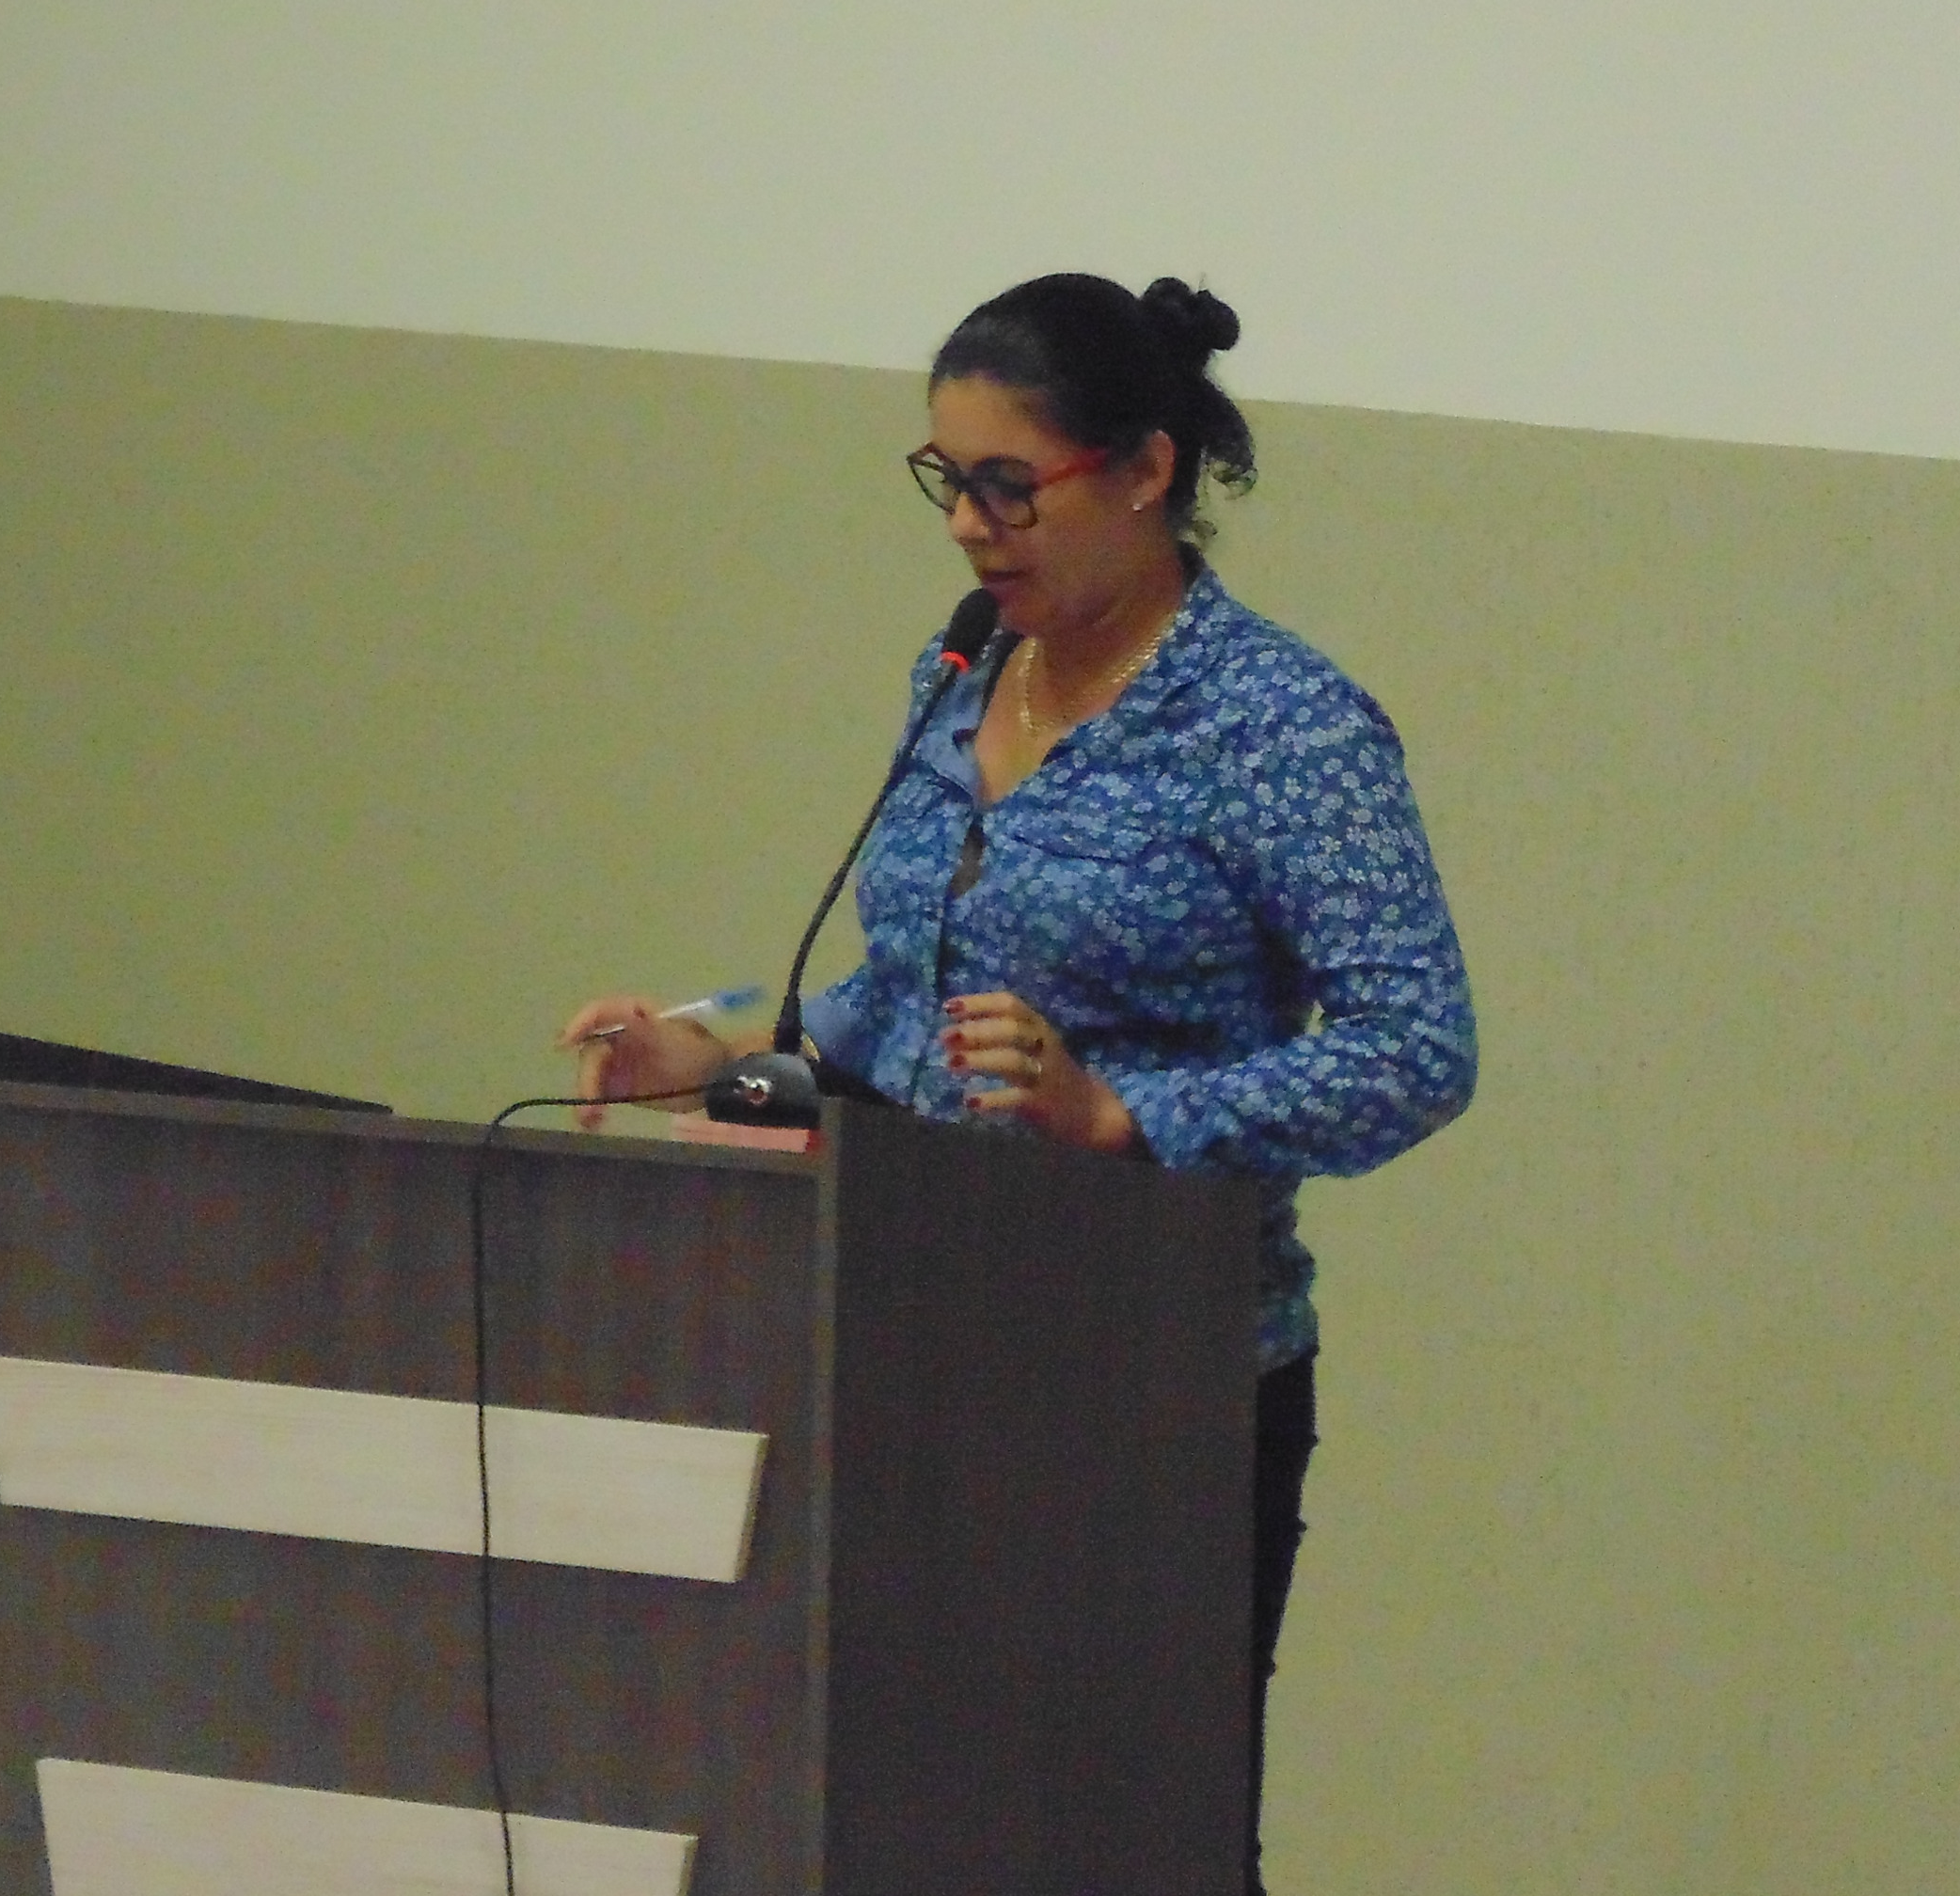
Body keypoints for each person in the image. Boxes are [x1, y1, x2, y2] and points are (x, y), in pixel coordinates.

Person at [561, 270, 1477, 1896]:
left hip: (1155, 1385)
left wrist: (1131, 1116)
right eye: (948, 481)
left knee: (1126, 1852)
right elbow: (905, 994)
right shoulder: (963, 675)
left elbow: (1417, 1050)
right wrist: (722, 1042)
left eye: (1009, 485)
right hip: (910, 1359)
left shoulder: (1281, 725)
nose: (970, 527)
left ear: (1143, 471)